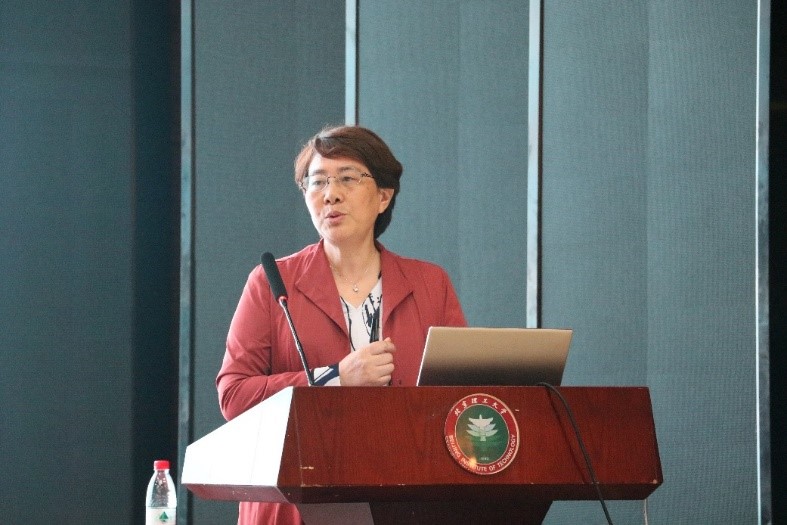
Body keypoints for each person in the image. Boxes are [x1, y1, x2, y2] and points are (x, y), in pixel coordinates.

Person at [216, 125, 467, 524]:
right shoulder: (273, 283)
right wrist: (335, 378)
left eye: (347, 178)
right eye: (317, 182)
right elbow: (234, 395)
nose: (330, 194)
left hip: (404, 499)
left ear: (383, 196)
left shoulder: (430, 284)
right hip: (295, 506)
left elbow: (463, 394)